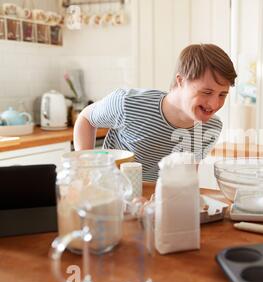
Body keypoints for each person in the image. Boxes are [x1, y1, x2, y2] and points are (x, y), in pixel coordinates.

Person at [74, 44, 237, 181]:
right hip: (113, 196)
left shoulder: (211, 127)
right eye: (207, 92)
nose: (214, 104)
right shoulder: (128, 103)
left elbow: (187, 177)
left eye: (222, 94)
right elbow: (86, 118)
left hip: (159, 203)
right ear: (181, 81)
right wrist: (86, 172)